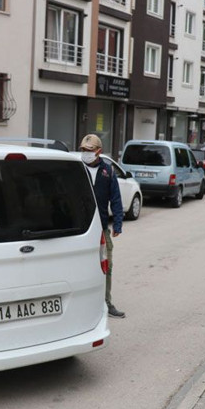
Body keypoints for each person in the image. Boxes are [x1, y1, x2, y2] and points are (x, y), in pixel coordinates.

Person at [79, 134, 126, 318]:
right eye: (83, 150)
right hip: (81, 228)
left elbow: (115, 198)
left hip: (101, 228)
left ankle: (106, 303)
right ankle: (82, 303)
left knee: (107, 266)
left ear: (98, 152)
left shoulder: (108, 172)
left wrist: (118, 224)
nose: (85, 153)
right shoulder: (77, 169)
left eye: (89, 150)